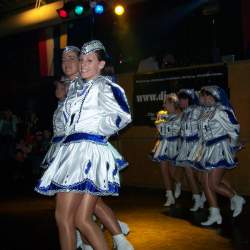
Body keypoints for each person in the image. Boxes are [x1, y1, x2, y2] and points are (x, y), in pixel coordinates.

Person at [35, 40, 133, 250]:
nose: (83, 64)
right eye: (82, 60)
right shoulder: (78, 89)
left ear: (100, 64)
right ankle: (116, 238)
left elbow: (123, 115)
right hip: (73, 150)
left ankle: (118, 235)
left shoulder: (104, 85)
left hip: (85, 152)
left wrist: (98, 132)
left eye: (89, 60)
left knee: (63, 216)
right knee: (80, 219)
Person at [188, 85, 246, 226]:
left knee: (213, 184)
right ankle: (215, 213)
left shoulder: (221, 111)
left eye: (209, 96)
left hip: (219, 148)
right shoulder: (204, 111)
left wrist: (232, 146)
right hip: (206, 149)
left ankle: (236, 198)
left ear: (215, 97)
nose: (206, 99)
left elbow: (234, 129)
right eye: (204, 96)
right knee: (206, 183)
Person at [176, 89, 206, 212]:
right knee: (189, 173)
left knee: (200, 176)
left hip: (197, 145)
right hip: (186, 145)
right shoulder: (183, 113)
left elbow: (204, 127)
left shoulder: (198, 110)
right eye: (180, 99)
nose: (180, 102)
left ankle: (206, 194)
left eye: (183, 99)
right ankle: (197, 198)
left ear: (189, 99)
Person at [152, 93, 182, 206]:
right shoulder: (161, 114)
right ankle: (169, 195)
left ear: (174, 104)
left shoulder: (180, 115)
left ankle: (178, 182)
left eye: (168, 103)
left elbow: (180, 131)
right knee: (164, 169)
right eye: (165, 103)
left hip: (175, 144)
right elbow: (159, 130)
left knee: (173, 172)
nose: (165, 105)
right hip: (163, 143)